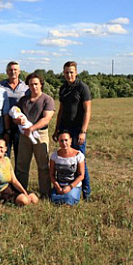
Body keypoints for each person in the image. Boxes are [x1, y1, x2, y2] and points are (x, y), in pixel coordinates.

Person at [52, 61, 92, 200]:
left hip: (77, 130)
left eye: (71, 72)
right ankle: (67, 186)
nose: (69, 75)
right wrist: (57, 129)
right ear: (63, 73)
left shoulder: (83, 88)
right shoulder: (63, 88)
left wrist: (83, 131)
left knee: (80, 161)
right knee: (65, 159)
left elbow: (87, 111)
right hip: (65, 129)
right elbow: (61, 110)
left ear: (76, 72)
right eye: (66, 72)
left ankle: (86, 192)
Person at [14, 72, 55, 197]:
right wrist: (17, 120)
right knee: (22, 165)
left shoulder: (47, 99)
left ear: (41, 85)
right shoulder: (23, 100)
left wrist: (32, 128)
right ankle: (21, 192)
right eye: (31, 84)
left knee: (43, 166)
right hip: (24, 135)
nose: (34, 87)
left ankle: (45, 193)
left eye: (36, 84)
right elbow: (16, 115)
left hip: (40, 135)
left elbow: (46, 118)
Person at [0, 137, 38, 206]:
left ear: (6, 149)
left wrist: (24, 192)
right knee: (24, 200)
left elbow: (14, 180)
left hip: (9, 187)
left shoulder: (7, 160)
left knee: (34, 198)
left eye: (1, 147)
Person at [0, 61, 29, 161]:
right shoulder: (0, 86)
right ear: (7, 72)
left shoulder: (26, 87)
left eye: (15, 70)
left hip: (19, 126)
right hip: (4, 125)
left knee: (19, 156)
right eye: (10, 70)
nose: (13, 72)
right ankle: (5, 176)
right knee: (4, 155)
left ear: (19, 71)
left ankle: (17, 176)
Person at [49, 131, 85, 206]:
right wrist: (57, 186)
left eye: (66, 140)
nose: (64, 143)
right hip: (60, 185)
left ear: (71, 140)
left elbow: (81, 175)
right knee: (53, 199)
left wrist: (70, 187)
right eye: (61, 141)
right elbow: (51, 174)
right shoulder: (54, 156)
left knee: (68, 199)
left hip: (73, 185)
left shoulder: (78, 155)